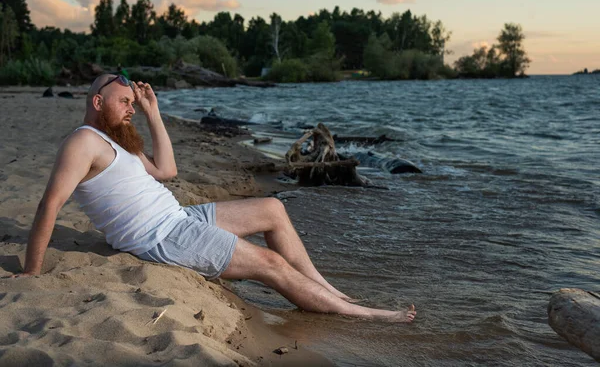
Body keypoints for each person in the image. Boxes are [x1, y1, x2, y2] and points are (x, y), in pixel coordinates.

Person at [11, 74, 416, 322]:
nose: (130, 109)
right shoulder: (83, 142)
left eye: (133, 104)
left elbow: (167, 171)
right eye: (125, 103)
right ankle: (360, 313)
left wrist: (153, 111)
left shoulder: (115, 140)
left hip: (180, 218)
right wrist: (32, 271)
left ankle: (328, 290)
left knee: (274, 209)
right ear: (97, 102)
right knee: (269, 263)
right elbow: (50, 204)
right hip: (160, 236)